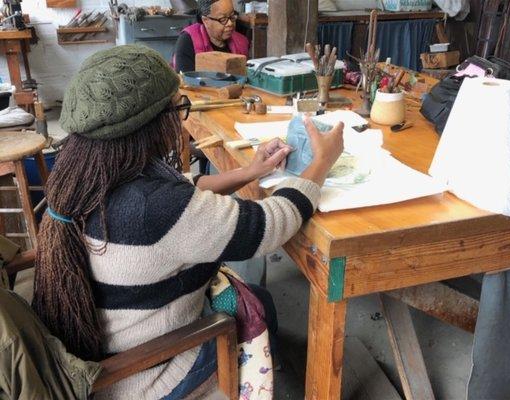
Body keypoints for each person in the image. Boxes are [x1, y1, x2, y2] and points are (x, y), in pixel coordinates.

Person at [32, 44, 344, 400]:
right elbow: (268, 225)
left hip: (106, 348)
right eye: (177, 109)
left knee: (258, 298)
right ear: (149, 126)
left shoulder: (85, 174)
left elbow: (181, 188)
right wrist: (321, 163)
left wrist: (250, 171)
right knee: (257, 306)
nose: (178, 120)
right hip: (147, 374)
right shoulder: (155, 209)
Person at [172, 0, 248, 72]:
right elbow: (185, 81)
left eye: (232, 16)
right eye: (223, 19)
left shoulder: (241, 42)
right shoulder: (188, 41)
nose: (230, 23)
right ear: (205, 20)